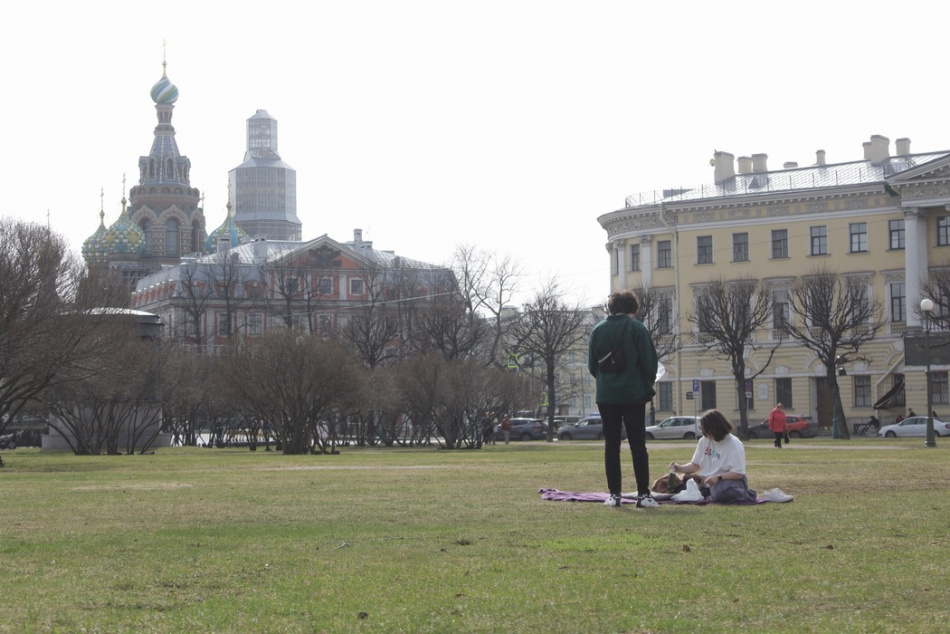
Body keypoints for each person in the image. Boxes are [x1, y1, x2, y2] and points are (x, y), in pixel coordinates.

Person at [588, 289, 659, 509]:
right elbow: (649, 362)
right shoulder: (637, 328)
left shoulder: (597, 330)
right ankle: (643, 495)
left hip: (606, 395)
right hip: (633, 393)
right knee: (638, 444)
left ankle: (615, 495)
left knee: (611, 445)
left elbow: (592, 365)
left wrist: (606, 382)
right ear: (632, 308)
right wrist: (645, 382)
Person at [669, 409, 793, 504]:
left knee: (720, 492)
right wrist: (679, 468)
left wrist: (718, 477)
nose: (704, 432)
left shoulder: (733, 444)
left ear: (715, 428)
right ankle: (707, 492)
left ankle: (755, 495)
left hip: (731, 480)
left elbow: (738, 473)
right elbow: (695, 465)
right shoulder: (704, 440)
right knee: (679, 485)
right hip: (708, 482)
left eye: (705, 429)